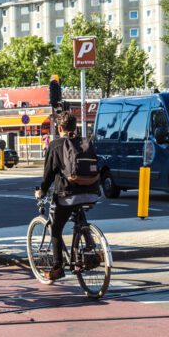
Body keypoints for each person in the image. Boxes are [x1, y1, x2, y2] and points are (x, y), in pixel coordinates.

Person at [35, 112, 100, 281]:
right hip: (91, 192)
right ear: (75, 126)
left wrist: (41, 190)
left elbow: (48, 175)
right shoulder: (85, 143)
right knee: (78, 213)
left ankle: (57, 268)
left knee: (56, 228)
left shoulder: (56, 145)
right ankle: (88, 242)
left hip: (67, 195)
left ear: (60, 127)